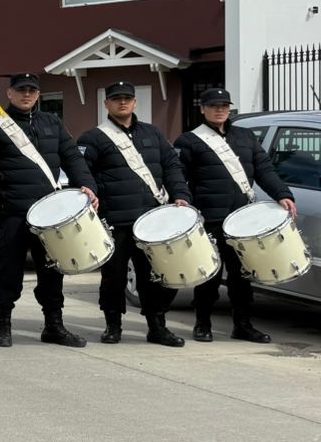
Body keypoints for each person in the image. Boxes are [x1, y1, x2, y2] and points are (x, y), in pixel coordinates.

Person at [0, 73, 97, 348]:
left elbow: (72, 157)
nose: (26, 95)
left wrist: (86, 185)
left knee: (52, 273)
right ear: (10, 94)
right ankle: (2, 324)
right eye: (20, 90)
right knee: (8, 272)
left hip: (50, 218)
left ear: (38, 95)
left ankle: (54, 326)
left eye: (32, 91)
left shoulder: (52, 123)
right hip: (11, 214)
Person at [173, 88, 296, 343]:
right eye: (214, 105)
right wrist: (181, 198)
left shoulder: (246, 136)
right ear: (203, 109)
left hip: (242, 218)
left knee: (242, 275)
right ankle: (202, 323)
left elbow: (264, 169)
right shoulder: (189, 141)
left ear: (230, 109)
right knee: (209, 274)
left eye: (224, 105)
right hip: (210, 218)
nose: (220, 110)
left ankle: (242, 325)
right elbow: (178, 176)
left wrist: (282, 194)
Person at [78, 81, 193, 347]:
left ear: (135, 102)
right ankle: (113, 326)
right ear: (106, 104)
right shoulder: (93, 138)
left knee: (155, 277)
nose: (122, 103)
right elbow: (83, 174)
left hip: (152, 220)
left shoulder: (153, 134)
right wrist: (90, 193)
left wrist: (181, 195)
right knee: (114, 278)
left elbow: (172, 166)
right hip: (115, 220)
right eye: (116, 99)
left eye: (127, 98)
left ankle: (157, 327)